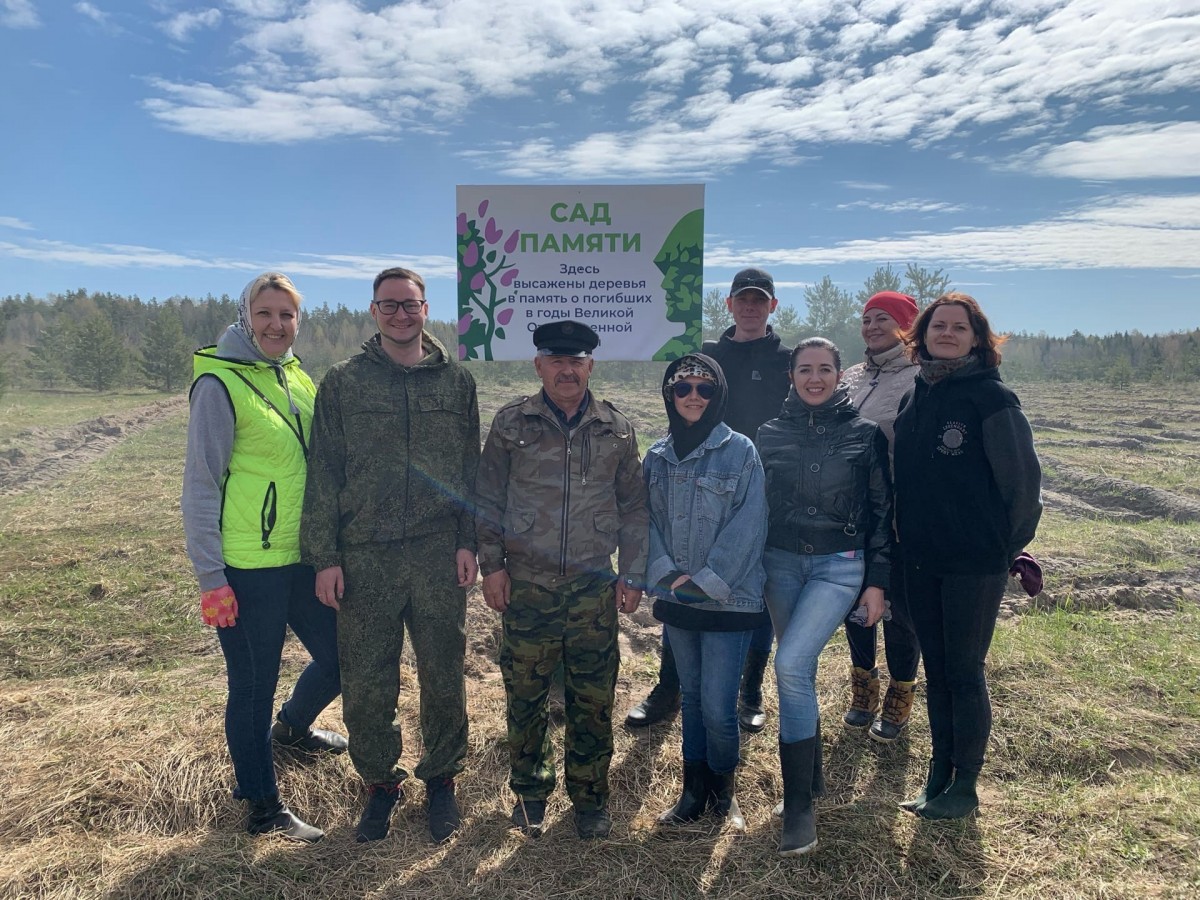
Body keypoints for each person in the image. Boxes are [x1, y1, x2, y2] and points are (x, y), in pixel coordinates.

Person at [301, 267, 480, 844]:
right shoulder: (344, 382)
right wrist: (325, 555)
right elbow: (324, 472)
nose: (402, 314)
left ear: (426, 310)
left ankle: (442, 779)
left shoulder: (457, 383)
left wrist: (467, 540)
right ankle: (380, 782)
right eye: (390, 305)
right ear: (374, 311)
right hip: (365, 558)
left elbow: (470, 473)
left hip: (435, 553)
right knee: (368, 679)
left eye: (412, 304)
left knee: (444, 672)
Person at [182, 272, 345, 844]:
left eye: (288, 315)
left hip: (300, 557)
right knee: (252, 686)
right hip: (246, 567)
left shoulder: (295, 375)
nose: (277, 325)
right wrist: (211, 576)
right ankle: (262, 807)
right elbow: (201, 484)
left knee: (342, 653)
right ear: (245, 316)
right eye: (266, 314)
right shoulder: (219, 383)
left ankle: (295, 729)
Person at [476, 319, 648, 841]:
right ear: (539, 365)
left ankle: (590, 798)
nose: (566, 370)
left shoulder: (615, 429)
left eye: (576, 361)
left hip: (594, 590)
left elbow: (635, 509)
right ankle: (530, 792)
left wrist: (633, 573)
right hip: (527, 586)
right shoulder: (511, 425)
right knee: (525, 696)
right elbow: (487, 502)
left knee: (592, 698)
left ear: (590, 365)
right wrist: (492, 568)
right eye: (556, 360)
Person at [893, 293, 1041, 820]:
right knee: (936, 667)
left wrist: (1001, 551)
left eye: (959, 327)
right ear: (922, 336)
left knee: (964, 669)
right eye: (939, 326)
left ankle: (966, 784)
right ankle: (938, 772)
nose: (948, 333)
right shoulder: (916, 397)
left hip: (973, 564)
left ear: (977, 338)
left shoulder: (992, 400)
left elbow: (1024, 489)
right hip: (919, 560)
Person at [626, 267, 791, 734]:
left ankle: (750, 691)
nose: (751, 306)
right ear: (730, 304)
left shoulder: (787, 359)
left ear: (772, 306)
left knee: (751, 590)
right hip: (695, 485)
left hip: (759, 490)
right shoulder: (706, 357)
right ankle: (669, 687)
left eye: (760, 299)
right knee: (684, 581)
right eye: (743, 298)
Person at [757, 337, 891, 856]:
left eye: (825, 369)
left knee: (788, 665)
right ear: (791, 376)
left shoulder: (865, 435)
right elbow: (753, 507)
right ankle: (810, 781)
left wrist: (877, 581)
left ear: (840, 376)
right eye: (805, 369)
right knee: (801, 672)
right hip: (779, 563)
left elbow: (882, 509)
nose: (815, 378)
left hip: (839, 566)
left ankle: (797, 809)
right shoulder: (768, 434)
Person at [646, 354, 769, 831]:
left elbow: (749, 524)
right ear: (669, 394)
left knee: (719, 708)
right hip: (678, 602)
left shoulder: (742, 451)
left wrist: (706, 582)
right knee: (692, 700)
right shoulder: (655, 456)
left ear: (718, 395)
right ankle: (692, 790)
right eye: (683, 388)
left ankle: (724, 791)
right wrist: (667, 575)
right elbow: (646, 521)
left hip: (730, 601)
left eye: (704, 389)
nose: (693, 396)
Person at [838, 291, 922, 742]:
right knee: (857, 603)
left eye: (882, 318)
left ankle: (900, 695)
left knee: (900, 610)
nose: (871, 326)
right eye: (866, 318)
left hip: (901, 515)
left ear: (907, 325)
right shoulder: (849, 376)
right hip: (853, 512)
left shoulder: (920, 377)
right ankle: (862, 689)